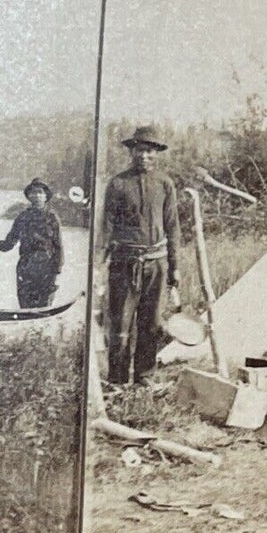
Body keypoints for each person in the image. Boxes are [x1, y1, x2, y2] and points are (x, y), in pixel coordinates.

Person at [103, 125, 181, 385]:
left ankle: (144, 377)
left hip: (156, 264)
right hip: (124, 263)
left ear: (156, 153)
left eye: (149, 151)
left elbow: (172, 227)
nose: (144, 156)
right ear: (131, 151)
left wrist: (174, 266)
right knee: (121, 327)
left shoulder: (165, 184)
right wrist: (96, 265)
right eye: (139, 151)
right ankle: (117, 380)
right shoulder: (118, 184)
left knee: (152, 326)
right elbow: (106, 226)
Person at [0, 178, 63, 309]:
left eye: (40, 192)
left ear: (45, 196)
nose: (37, 196)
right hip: (26, 268)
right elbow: (9, 244)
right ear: (29, 196)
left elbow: (59, 247)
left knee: (44, 308)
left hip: (46, 269)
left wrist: (57, 271)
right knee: (25, 307)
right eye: (33, 192)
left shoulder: (52, 218)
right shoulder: (22, 217)